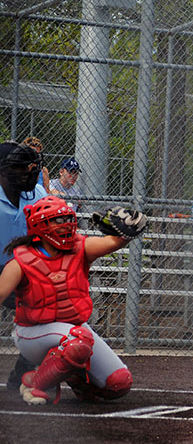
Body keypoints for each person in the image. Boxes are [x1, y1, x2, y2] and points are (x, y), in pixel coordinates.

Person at [0, 196, 139, 404]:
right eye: (58, 220)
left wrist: (126, 228)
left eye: (67, 219)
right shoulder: (22, 260)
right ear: (40, 225)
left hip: (74, 331)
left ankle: (75, 377)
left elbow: (114, 242)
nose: (65, 225)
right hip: (33, 334)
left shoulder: (79, 247)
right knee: (79, 338)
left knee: (118, 383)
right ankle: (34, 384)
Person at [0, 141, 48, 390]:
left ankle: (21, 376)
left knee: (47, 315)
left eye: (28, 166)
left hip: (27, 271)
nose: (27, 172)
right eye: (18, 167)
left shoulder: (36, 194)